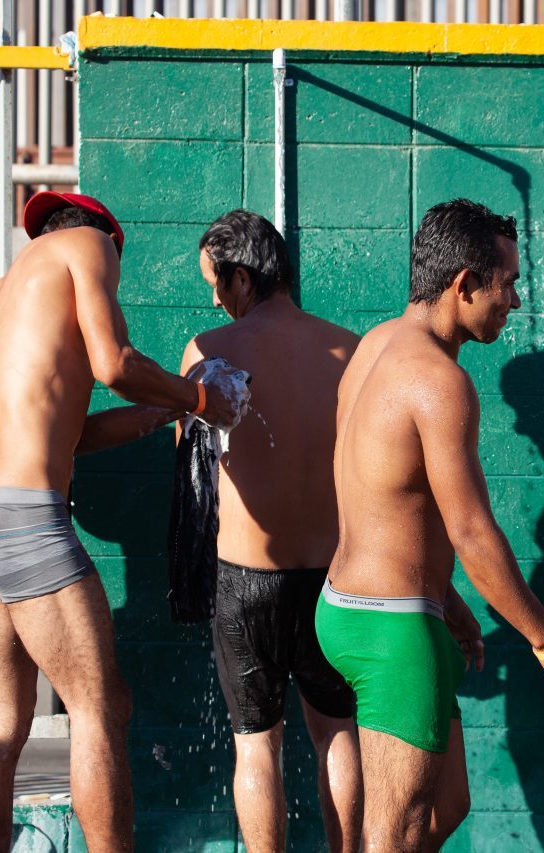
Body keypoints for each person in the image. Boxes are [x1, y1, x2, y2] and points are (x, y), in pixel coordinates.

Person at [0, 192, 246, 853]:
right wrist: (200, 394)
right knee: (100, 709)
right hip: (25, 517)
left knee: (0, 719)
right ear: (106, 237)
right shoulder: (90, 246)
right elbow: (115, 364)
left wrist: (172, 412)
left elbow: (71, 435)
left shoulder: (0, 294)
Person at [316, 198, 544, 851]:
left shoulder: (373, 347)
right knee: (397, 828)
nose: (516, 300)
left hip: (359, 606)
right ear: (464, 284)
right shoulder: (439, 380)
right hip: (389, 623)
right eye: (508, 284)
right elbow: (472, 532)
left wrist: (443, 593)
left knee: (447, 805)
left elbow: (367, 487)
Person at [182, 209, 363, 853]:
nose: (214, 299)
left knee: (256, 746)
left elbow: (193, 456)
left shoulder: (210, 350)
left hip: (244, 583)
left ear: (239, 276)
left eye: (216, 282)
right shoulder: (350, 349)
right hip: (330, 579)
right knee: (337, 733)